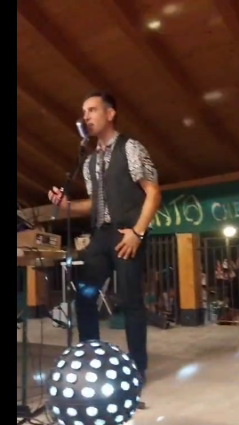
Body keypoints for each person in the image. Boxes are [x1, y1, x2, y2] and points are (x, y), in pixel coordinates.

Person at [48, 92, 161, 407]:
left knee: (131, 302)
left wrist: (138, 232)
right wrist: (67, 205)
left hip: (127, 233)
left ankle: (137, 370)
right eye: (84, 111)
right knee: (84, 296)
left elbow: (153, 193)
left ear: (110, 114)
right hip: (100, 235)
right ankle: (90, 362)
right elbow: (94, 203)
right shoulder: (88, 161)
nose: (86, 116)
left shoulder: (131, 148)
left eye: (92, 110)